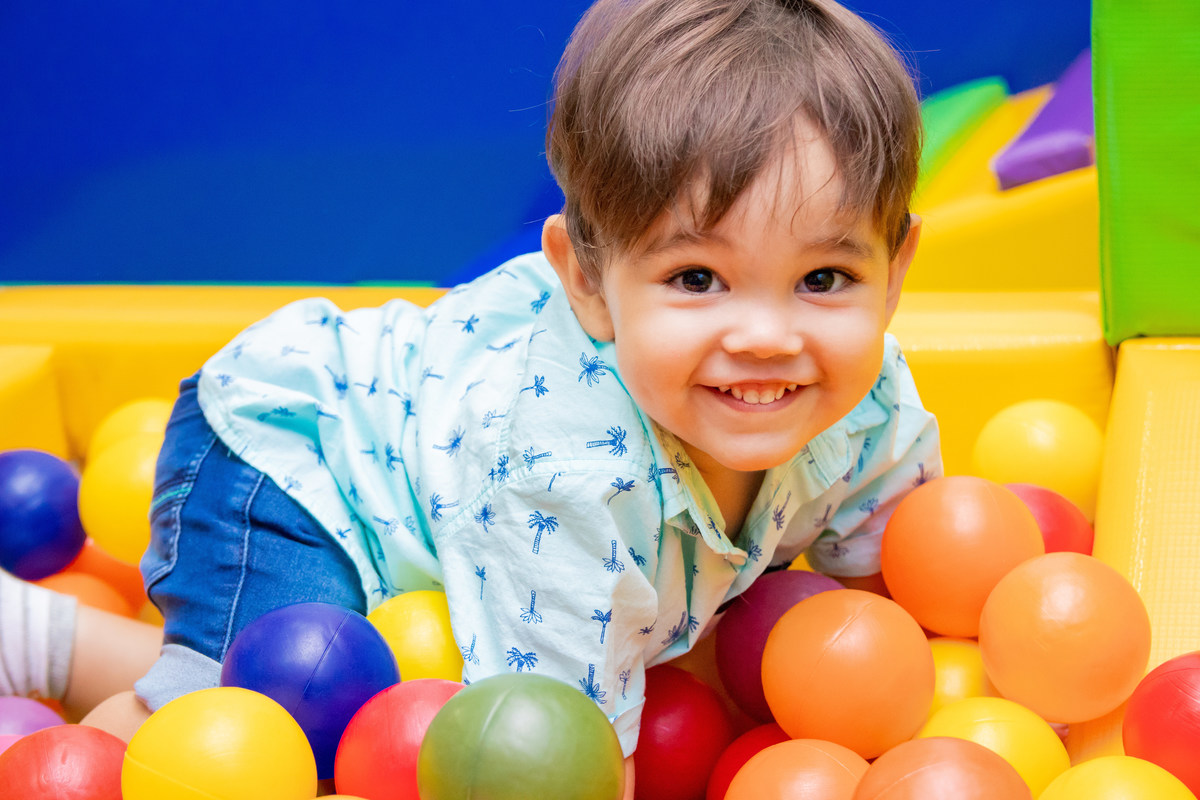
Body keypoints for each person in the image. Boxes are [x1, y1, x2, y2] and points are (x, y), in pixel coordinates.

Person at [2, 0, 938, 794]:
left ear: (893, 272)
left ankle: (43, 636)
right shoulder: (569, 472)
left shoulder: (864, 400)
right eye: (697, 279)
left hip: (452, 484)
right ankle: (76, 728)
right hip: (300, 459)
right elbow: (550, 753)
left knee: (383, 697)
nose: (769, 336)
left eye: (823, 279)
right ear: (588, 280)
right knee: (270, 721)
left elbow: (880, 588)